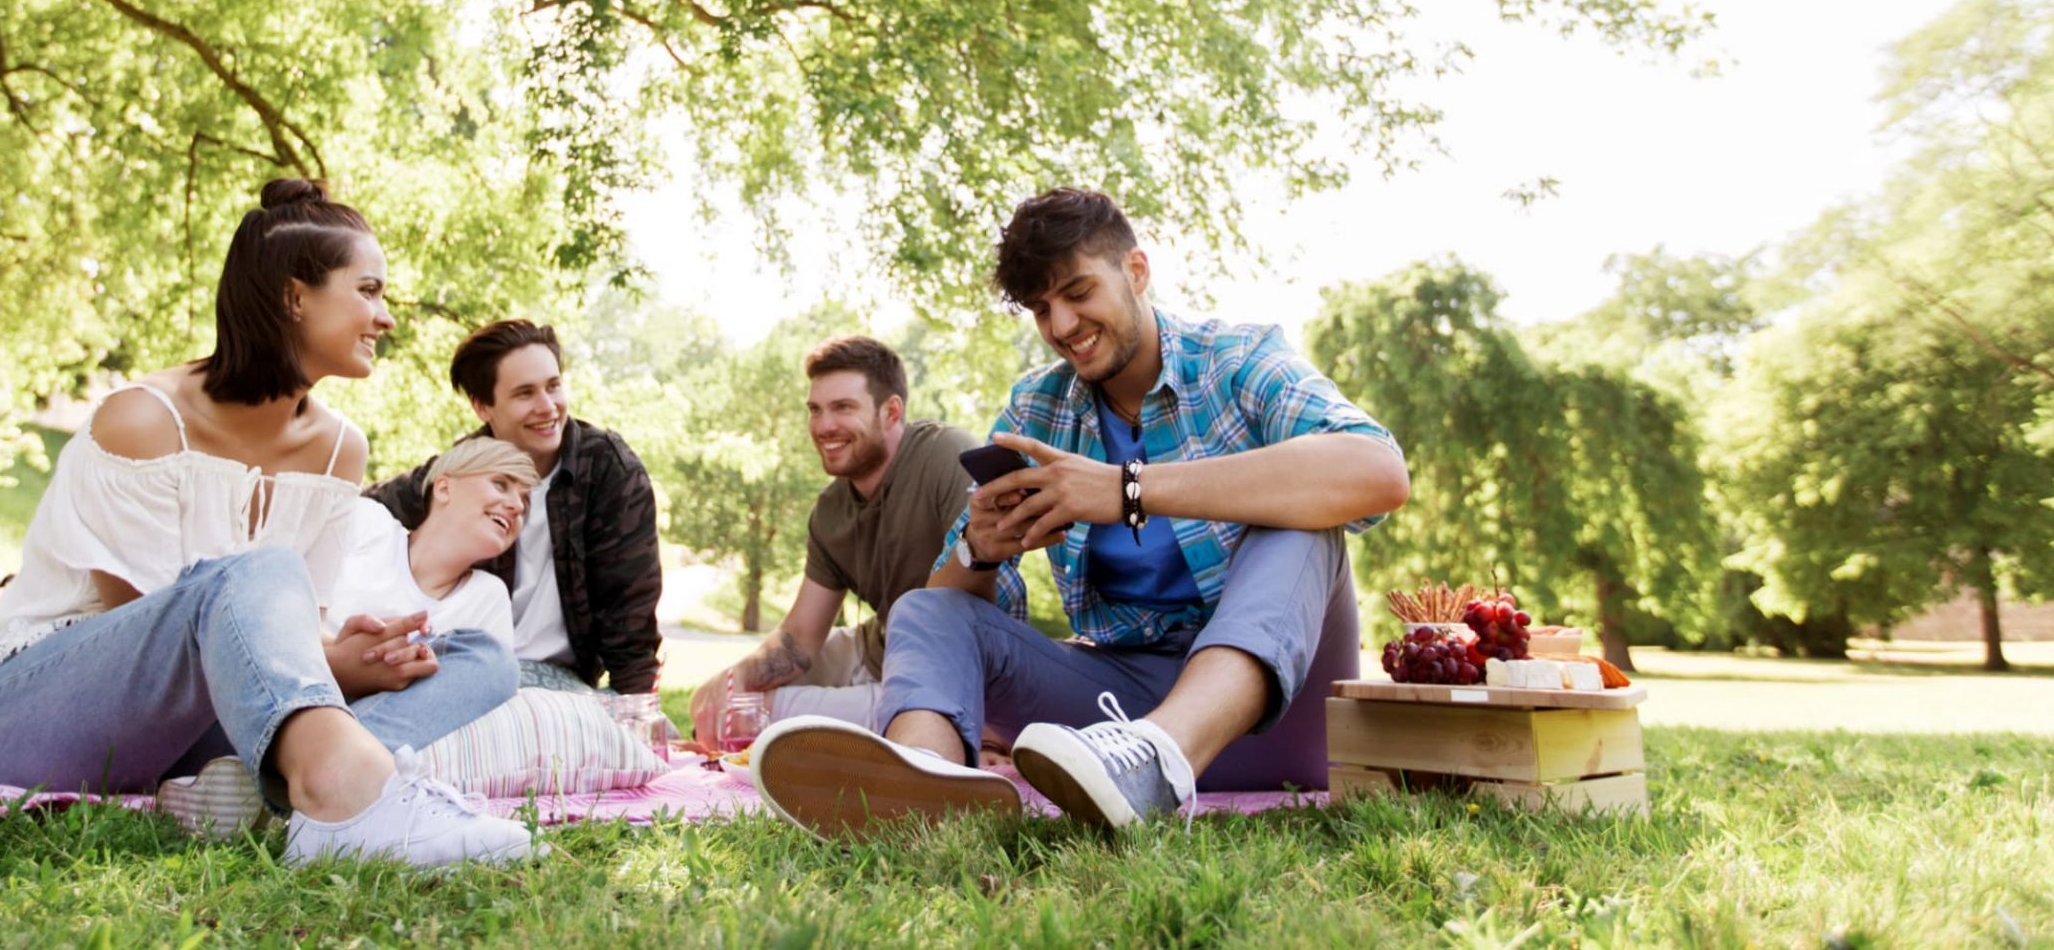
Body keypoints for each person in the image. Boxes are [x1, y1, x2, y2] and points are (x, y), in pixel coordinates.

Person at [750, 187, 1409, 837]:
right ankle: (919, 792)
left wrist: (1127, 488)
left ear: (1136, 270)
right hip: (1117, 714)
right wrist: (979, 549)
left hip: (1277, 719)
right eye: (1042, 308)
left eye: (1078, 292)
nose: (1061, 326)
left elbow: (1378, 470)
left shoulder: (1235, 360)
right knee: (926, 605)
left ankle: (1155, 759)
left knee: (1298, 520)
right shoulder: (1037, 410)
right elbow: (960, 618)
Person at [0, 179, 536, 868]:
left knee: (479, 656)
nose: (385, 318)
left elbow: (293, 627)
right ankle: (342, 792)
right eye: (369, 290)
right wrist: (323, 663)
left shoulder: (339, 449)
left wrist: (348, 654)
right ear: (295, 297)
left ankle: (262, 791)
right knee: (260, 568)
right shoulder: (141, 420)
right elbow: (157, 634)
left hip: (210, 726)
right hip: (41, 712)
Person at [686, 335, 1026, 743]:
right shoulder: (830, 511)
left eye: (843, 408)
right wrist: (734, 680)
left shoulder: (946, 456)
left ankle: (967, 731)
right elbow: (800, 639)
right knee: (722, 700)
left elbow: (994, 608)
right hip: (876, 649)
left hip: (951, 675)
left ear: (891, 411)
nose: (824, 426)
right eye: (815, 410)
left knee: (760, 716)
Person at [369, 319, 663, 694]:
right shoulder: (460, 471)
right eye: (525, 394)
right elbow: (365, 507)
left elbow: (631, 624)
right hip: (460, 672)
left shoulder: (608, 472)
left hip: (562, 682)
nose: (548, 407)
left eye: (553, 386)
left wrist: (633, 720)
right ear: (482, 407)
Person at [322, 437, 532, 654]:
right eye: (500, 484)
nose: (517, 506)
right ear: (443, 488)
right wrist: (342, 658)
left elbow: (489, 679)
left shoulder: (488, 598)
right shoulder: (367, 521)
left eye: (525, 503)